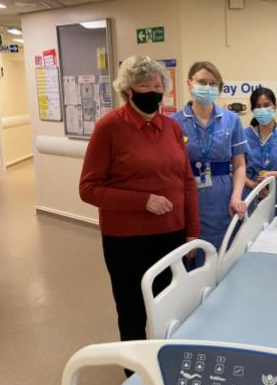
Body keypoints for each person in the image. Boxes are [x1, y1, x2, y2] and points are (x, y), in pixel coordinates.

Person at [79, 55, 199, 363]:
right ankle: (134, 372)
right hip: (127, 241)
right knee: (132, 311)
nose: (153, 91)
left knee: (169, 306)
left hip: (171, 237)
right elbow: (89, 189)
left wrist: (192, 234)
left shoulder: (171, 128)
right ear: (129, 90)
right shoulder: (109, 129)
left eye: (158, 85)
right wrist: (142, 200)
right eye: (145, 85)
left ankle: (166, 365)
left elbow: (186, 182)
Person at [170, 61, 247, 265]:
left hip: (223, 196)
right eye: (202, 82)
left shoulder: (231, 120)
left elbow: (239, 164)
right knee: (191, 254)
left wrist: (236, 196)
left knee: (223, 254)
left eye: (213, 83)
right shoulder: (174, 122)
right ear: (189, 83)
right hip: (188, 194)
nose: (208, 87)